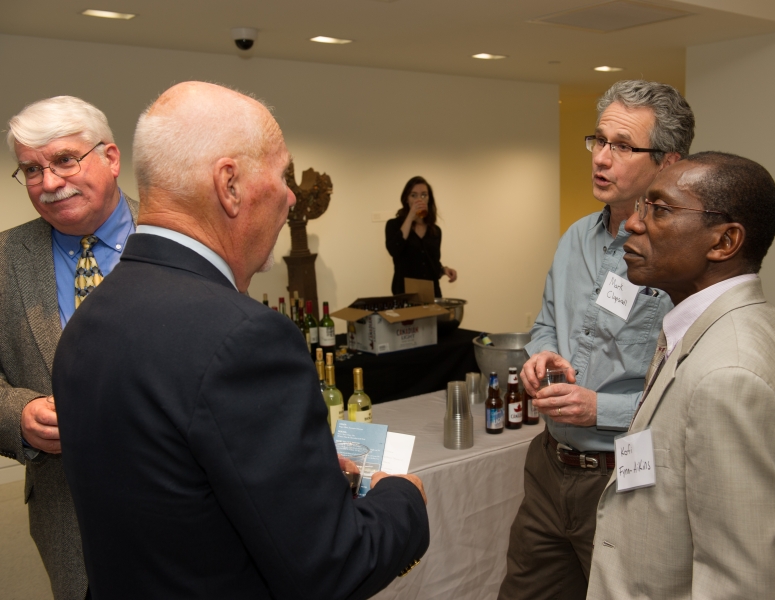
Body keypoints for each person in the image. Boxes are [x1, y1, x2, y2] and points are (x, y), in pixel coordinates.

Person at [52, 82, 429, 600]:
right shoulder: (245, 337)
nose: (292, 195)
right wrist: (400, 498)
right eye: (282, 174)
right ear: (228, 185)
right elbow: (333, 569)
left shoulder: (89, 317)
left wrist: (302, 476)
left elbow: (177, 491)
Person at [587, 152, 775, 598]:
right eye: (641, 207)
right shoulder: (723, 329)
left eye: (659, 210)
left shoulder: (732, 375)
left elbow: (748, 583)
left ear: (724, 242)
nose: (633, 225)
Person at [498, 80, 694, 599]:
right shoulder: (573, 240)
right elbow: (545, 322)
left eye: (623, 146)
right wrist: (539, 355)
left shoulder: (681, 264)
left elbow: (688, 398)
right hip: (549, 466)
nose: (601, 158)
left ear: (668, 162)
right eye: (599, 141)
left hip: (627, 476)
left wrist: (598, 409)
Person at [0, 96, 136, 600]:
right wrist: (20, 413)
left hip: (188, 503)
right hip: (69, 518)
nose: (50, 183)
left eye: (64, 159)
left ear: (112, 157)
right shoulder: (4, 260)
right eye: (32, 169)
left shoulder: (178, 239)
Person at [385, 176, 457, 298]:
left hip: (431, 294)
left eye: (424, 195)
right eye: (413, 195)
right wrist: (410, 217)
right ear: (406, 199)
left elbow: (431, 262)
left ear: (429, 199)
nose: (419, 199)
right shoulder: (394, 225)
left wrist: (443, 270)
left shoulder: (435, 231)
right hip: (405, 294)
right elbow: (394, 250)